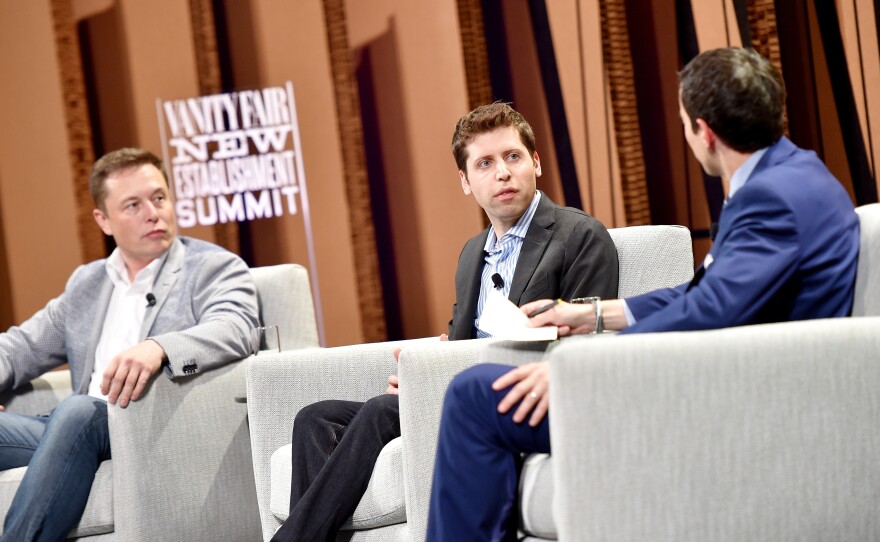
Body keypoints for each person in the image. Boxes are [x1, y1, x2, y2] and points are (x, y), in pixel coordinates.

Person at [426, 48, 860, 541]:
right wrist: (593, 315)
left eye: (681, 123)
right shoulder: (796, 174)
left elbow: (712, 310)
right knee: (481, 389)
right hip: (728, 373)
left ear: (705, 132)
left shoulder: (771, 198)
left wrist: (583, 367)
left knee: (473, 395)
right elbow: (707, 292)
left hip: (728, 397)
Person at [270, 103, 619, 541]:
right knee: (315, 418)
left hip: (516, 394)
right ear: (466, 182)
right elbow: (461, 338)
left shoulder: (579, 236)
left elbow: (590, 340)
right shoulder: (473, 252)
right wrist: (423, 368)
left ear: (536, 162)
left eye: (513, 157)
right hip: (451, 387)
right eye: (485, 163)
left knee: (380, 412)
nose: (503, 173)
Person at [0, 148, 260, 541]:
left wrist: (159, 347)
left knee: (78, 411)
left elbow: (237, 326)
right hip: (71, 431)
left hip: (143, 423)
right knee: (73, 418)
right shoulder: (88, 284)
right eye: (133, 205)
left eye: (159, 198)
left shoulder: (211, 267)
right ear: (103, 221)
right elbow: (19, 348)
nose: (153, 213)